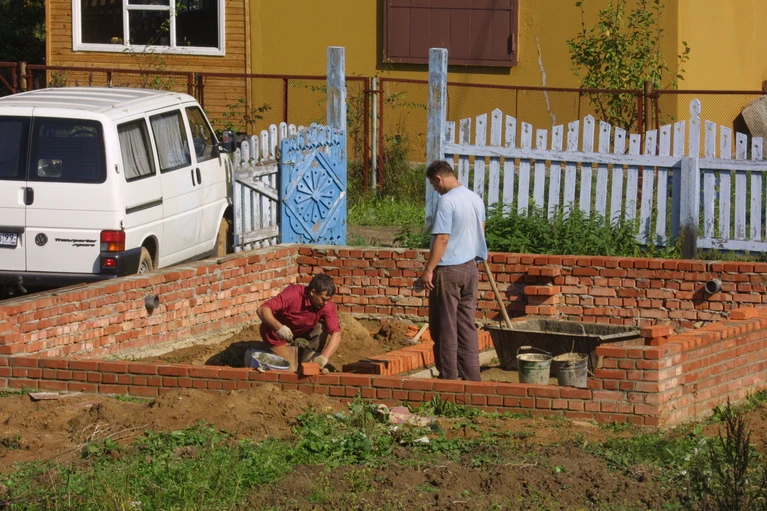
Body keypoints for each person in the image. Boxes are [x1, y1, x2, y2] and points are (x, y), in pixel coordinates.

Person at [417, 160, 488, 381]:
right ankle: (472, 380)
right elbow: (482, 229)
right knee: (466, 327)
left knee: (445, 327)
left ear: (439, 178)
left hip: (449, 270)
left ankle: (449, 381)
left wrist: (429, 269)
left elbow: (443, 238)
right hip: (470, 268)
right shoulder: (475, 198)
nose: (435, 189)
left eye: (433, 184)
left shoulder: (447, 201)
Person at [256, 273, 341, 371]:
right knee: (289, 370)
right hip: (276, 334)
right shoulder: (294, 294)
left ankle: (308, 359)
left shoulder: (326, 305)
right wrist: (279, 328)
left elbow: (336, 333)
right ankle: (257, 356)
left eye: (328, 300)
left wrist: (324, 357)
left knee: (321, 328)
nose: (325, 303)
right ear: (312, 292)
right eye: (323, 299)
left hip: (299, 332)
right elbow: (262, 310)